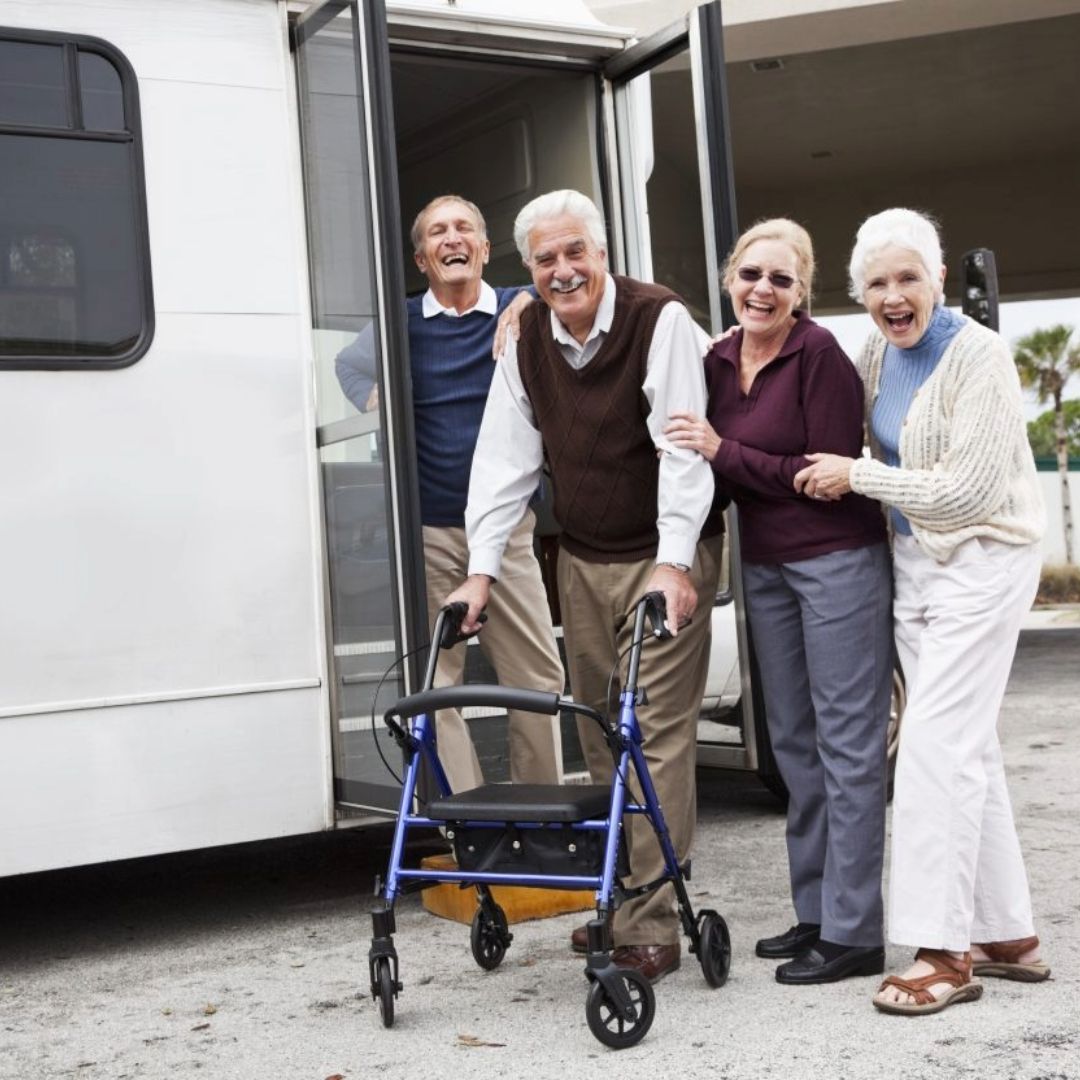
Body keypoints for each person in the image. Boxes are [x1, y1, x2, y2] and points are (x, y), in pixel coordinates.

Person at [446, 189, 724, 985]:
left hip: (663, 552)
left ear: (603, 253)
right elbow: (503, 460)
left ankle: (650, 922)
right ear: (527, 272)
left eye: (577, 253)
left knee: (656, 733)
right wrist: (481, 570)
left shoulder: (657, 320)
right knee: (601, 731)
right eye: (545, 260)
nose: (564, 271)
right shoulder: (526, 332)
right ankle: (619, 894)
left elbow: (682, 450)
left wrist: (674, 564)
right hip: (584, 555)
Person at [794, 207, 1050, 1015]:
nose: (894, 296)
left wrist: (858, 476)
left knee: (936, 745)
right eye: (877, 283)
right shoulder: (872, 349)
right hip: (916, 563)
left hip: (983, 557)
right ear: (860, 294)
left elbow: (967, 492)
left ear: (939, 281)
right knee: (967, 744)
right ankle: (1007, 932)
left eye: (909, 278)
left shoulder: (979, 357)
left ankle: (945, 951)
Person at [664, 219, 894, 986]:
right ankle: (817, 914)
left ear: (802, 292)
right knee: (793, 744)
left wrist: (722, 451)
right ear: (730, 278)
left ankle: (857, 933)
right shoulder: (717, 360)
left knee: (849, 745)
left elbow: (816, 470)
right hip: (765, 566)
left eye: (782, 280)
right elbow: (715, 471)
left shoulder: (820, 355)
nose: (764, 289)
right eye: (751, 275)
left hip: (836, 561)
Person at [336, 194, 563, 793]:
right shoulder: (399, 323)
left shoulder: (523, 306)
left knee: (537, 681)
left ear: (486, 250)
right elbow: (348, 366)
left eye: (465, 227)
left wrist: (532, 300)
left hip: (508, 527)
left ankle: (538, 817)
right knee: (438, 685)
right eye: (438, 231)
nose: (452, 238)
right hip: (431, 528)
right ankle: (472, 823)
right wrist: (373, 402)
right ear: (421, 258)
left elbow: (580, 286)